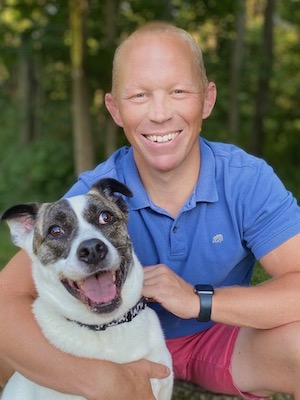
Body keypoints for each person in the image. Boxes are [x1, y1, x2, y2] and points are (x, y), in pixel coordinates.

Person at [1, 21, 300, 400]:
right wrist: (103, 381)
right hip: (109, 346)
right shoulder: (93, 199)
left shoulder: (245, 179)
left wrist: (199, 300)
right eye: (139, 96)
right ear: (115, 109)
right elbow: (5, 301)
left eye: (178, 91)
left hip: (220, 337)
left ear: (207, 99)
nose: (159, 113)